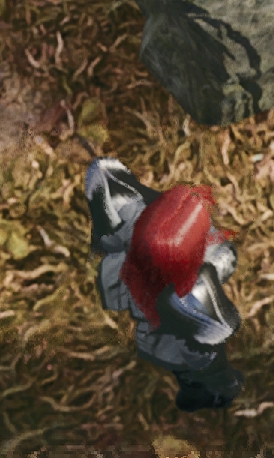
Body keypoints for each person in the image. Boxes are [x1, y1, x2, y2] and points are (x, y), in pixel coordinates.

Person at [85, 153, 245, 411]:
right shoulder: (157, 226)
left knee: (190, 345)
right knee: (191, 343)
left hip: (170, 294)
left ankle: (214, 384)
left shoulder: (146, 235)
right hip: (170, 281)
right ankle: (214, 383)